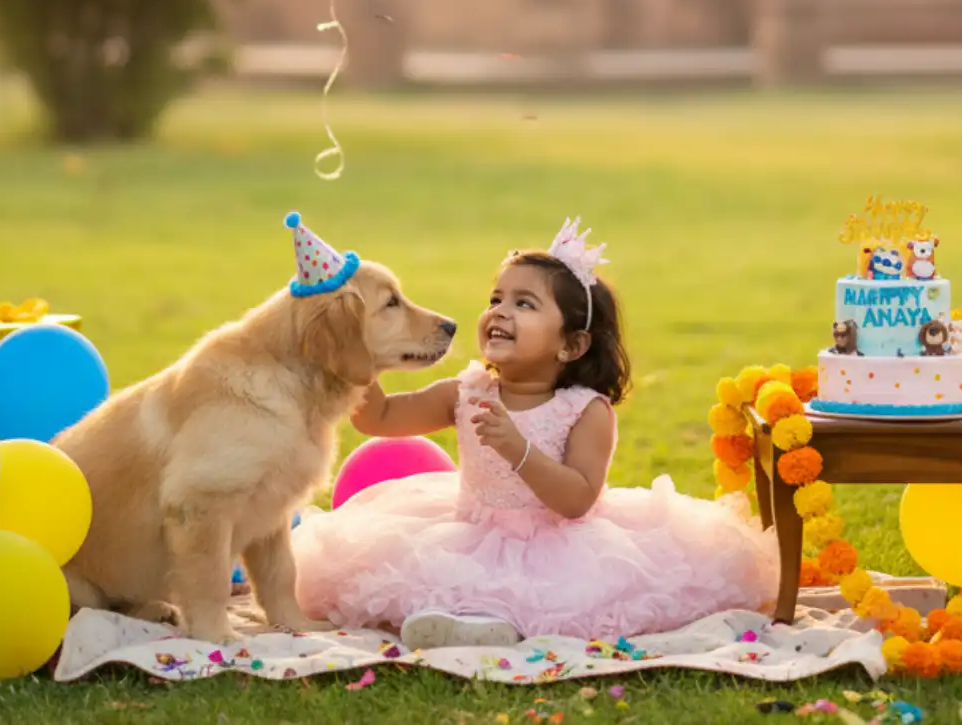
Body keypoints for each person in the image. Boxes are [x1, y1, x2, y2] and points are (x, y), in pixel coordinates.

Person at [289, 219, 780, 650]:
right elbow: (380, 419)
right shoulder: (468, 389)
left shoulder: (584, 410)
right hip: (470, 532)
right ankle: (460, 621)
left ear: (571, 344)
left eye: (524, 304)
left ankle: (486, 626)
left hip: (559, 547)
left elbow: (578, 500)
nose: (499, 312)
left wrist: (518, 449)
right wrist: (361, 355)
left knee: (561, 600)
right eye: (496, 299)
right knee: (435, 575)